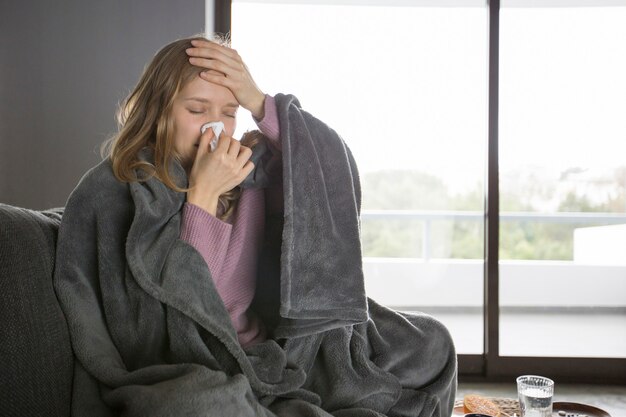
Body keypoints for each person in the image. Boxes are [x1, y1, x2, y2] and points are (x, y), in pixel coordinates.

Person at [53, 34, 457, 417]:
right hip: (204, 364)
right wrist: (203, 198)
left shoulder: (252, 169)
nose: (216, 128)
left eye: (229, 113)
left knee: (430, 343)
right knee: (196, 405)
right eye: (196, 110)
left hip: (282, 351)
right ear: (158, 112)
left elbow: (328, 165)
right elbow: (173, 319)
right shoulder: (124, 187)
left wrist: (260, 102)